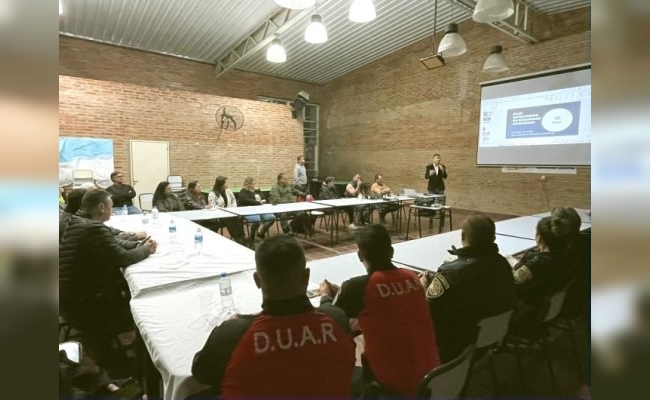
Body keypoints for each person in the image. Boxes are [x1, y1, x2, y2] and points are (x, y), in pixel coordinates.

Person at [192, 236, 355, 398]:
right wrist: (325, 297)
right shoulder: (337, 320)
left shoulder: (232, 335)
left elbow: (201, 374)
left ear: (257, 280)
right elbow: (329, 312)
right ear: (306, 276)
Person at [319, 224, 440, 397]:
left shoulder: (357, 287)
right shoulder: (413, 278)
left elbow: (328, 321)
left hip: (391, 389)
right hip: (432, 379)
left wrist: (325, 296)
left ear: (360, 255)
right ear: (391, 251)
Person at [59, 189, 157, 375]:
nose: (112, 210)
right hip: (81, 303)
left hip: (71, 296)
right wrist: (146, 250)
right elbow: (121, 257)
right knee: (138, 307)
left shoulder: (80, 221)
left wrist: (138, 245)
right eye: (111, 206)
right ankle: (124, 365)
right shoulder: (92, 228)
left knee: (125, 292)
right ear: (101, 207)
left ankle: (121, 352)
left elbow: (113, 243)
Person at [420, 213, 516, 363]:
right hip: (490, 336)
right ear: (494, 238)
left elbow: (429, 309)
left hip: (456, 342)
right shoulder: (503, 264)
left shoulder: (450, 272)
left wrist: (425, 287)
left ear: (463, 236)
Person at [510, 215, 573, 337]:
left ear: (539, 238)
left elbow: (512, 282)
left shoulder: (537, 264)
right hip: (544, 313)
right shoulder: (564, 256)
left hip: (525, 317)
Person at [60, 188, 146, 243]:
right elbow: (109, 241)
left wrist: (120, 232)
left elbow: (105, 230)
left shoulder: (74, 216)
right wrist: (134, 237)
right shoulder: (74, 223)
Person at [207, 176, 247, 245]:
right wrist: (224, 211)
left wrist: (233, 209)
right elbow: (212, 206)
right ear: (221, 184)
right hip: (219, 215)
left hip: (230, 213)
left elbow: (233, 201)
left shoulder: (229, 191)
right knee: (230, 219)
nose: (227, 184)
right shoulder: (212, 193)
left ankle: (241, 236)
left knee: (239, 217)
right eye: (225, 183)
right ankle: (237, 238)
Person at [239, 177, 276, 246]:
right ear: (248, 184)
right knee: (257, 219)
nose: (254, 185)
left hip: (260, 210)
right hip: (248, 211)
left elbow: (263, 197)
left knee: (272, 217)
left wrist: (258, 191)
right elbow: (246, 200)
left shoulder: (256, 190)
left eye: (254, 183)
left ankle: (261, 233)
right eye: (252, 184)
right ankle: (252, 236)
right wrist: (257, 202)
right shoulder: (243, 191)